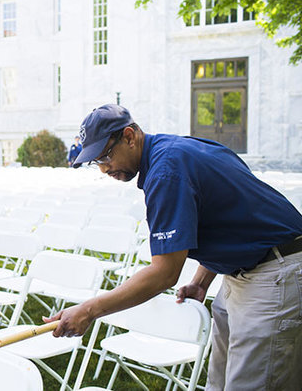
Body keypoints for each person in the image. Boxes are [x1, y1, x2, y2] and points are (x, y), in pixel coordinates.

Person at [44, 104, 302, 390]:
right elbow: (227, 217)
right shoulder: (177, 149)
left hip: (274, 271)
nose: (104, 168)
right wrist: (201, 281)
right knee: (220, 379)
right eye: (96, 162)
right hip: (244, 270)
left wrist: (89, 310)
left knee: (253, 383)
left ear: (129, 136)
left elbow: (164, 274)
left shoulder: (166, 172)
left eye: (105, 156)